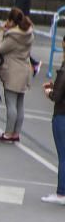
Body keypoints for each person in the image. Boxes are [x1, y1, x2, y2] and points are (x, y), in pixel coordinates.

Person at [0, 7, 34, 142]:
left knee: (11, 104)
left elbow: (0, 48)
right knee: (20, 104)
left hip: (13, 71)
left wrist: (0, 34)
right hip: (24, 70)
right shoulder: (28, 33)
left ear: (12, 21)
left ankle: (8, 133)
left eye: (8, 20)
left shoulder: (13, 37)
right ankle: (16, 133)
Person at [42, 55, 65, 204]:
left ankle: (61, 193)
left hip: (62, 115)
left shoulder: (64, 71)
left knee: (63, 156)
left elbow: (57, 96)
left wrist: (49, 92)